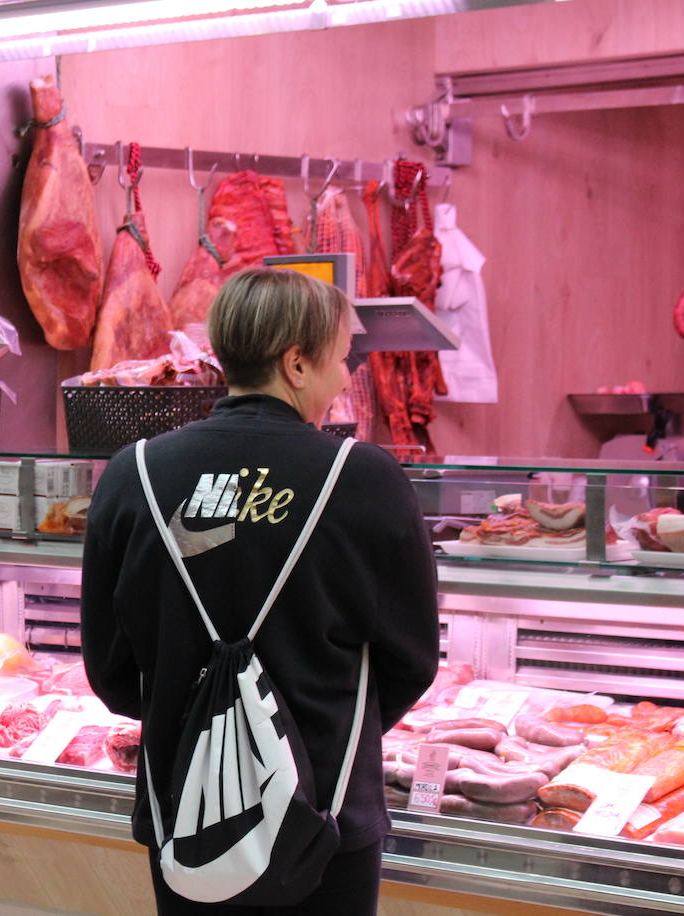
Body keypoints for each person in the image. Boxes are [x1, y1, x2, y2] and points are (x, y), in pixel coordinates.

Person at [81, 268, 440, 915]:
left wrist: (191, 721)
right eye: (339, 360)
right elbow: (411, 660)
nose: (343, 379)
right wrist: (319, 730)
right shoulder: (364, 478)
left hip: (185, 819)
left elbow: (110, 672)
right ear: (296, 364)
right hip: (325, 818)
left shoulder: (131, 474)